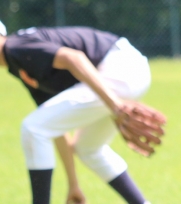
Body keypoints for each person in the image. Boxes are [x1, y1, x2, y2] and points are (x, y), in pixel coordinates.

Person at [0, 20, 154, 204]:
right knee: (87, 147)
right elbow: (55, 126)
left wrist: (116, 106)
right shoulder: (19, 61)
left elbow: (74, 58)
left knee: (32, 128)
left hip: (120, 67)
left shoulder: (15, 47)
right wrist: (73, 184)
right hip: (123, 68)